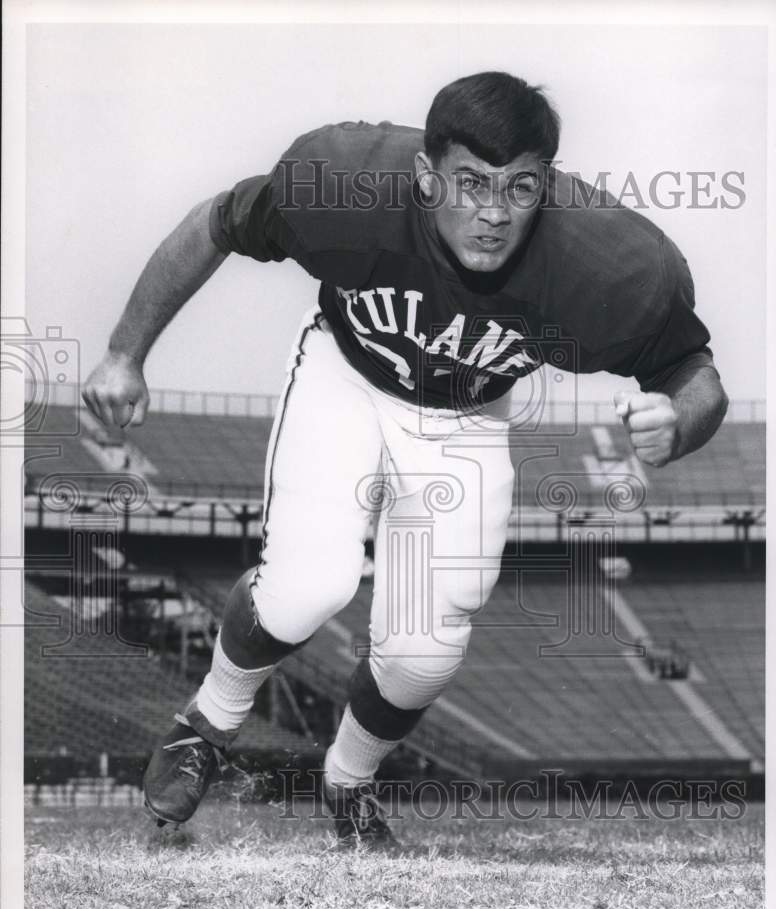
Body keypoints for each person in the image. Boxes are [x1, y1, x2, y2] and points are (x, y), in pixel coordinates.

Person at [82, 71, 728, 849]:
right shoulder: (345, 187)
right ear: (425, 176)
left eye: (520, 188)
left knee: (426, 650)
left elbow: (694, 373)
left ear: (547, 188)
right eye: (470, 183)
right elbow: (216, 223)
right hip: (346, 374)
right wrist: (125, 352)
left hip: (465, 416)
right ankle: (207, 722)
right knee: (304, 590)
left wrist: (679, 421)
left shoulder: (607, 268)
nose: (493, 212)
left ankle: (348, 780)